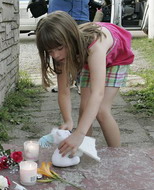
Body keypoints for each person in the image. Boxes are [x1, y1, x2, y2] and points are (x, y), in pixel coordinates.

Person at [35, 11, 134, 157]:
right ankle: (82, 150)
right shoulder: (61, 52)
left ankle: (117, 157)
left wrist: (78, 133)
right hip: (83, 54)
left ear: (70, 39)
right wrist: (68, 120)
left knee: (101, 110)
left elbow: (98, 93)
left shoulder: (95, 47)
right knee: (85, 108)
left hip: (116, 57)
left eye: (59, 48)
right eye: (50, 51)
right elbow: (64, 92)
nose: (55, 55)